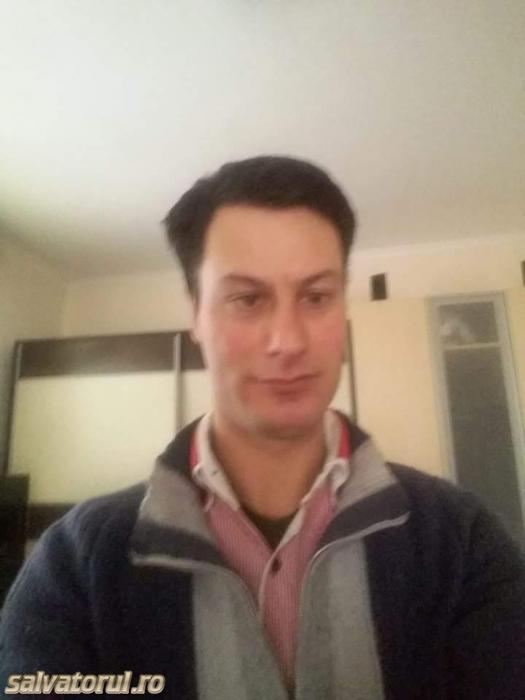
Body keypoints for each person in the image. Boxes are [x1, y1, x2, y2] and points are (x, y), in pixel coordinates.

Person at [1, 156, 524, 699]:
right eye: (248, 299)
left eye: (316, 297)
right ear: (196, 316)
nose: (288, 341)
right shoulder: (76, 566)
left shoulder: (461, 543)